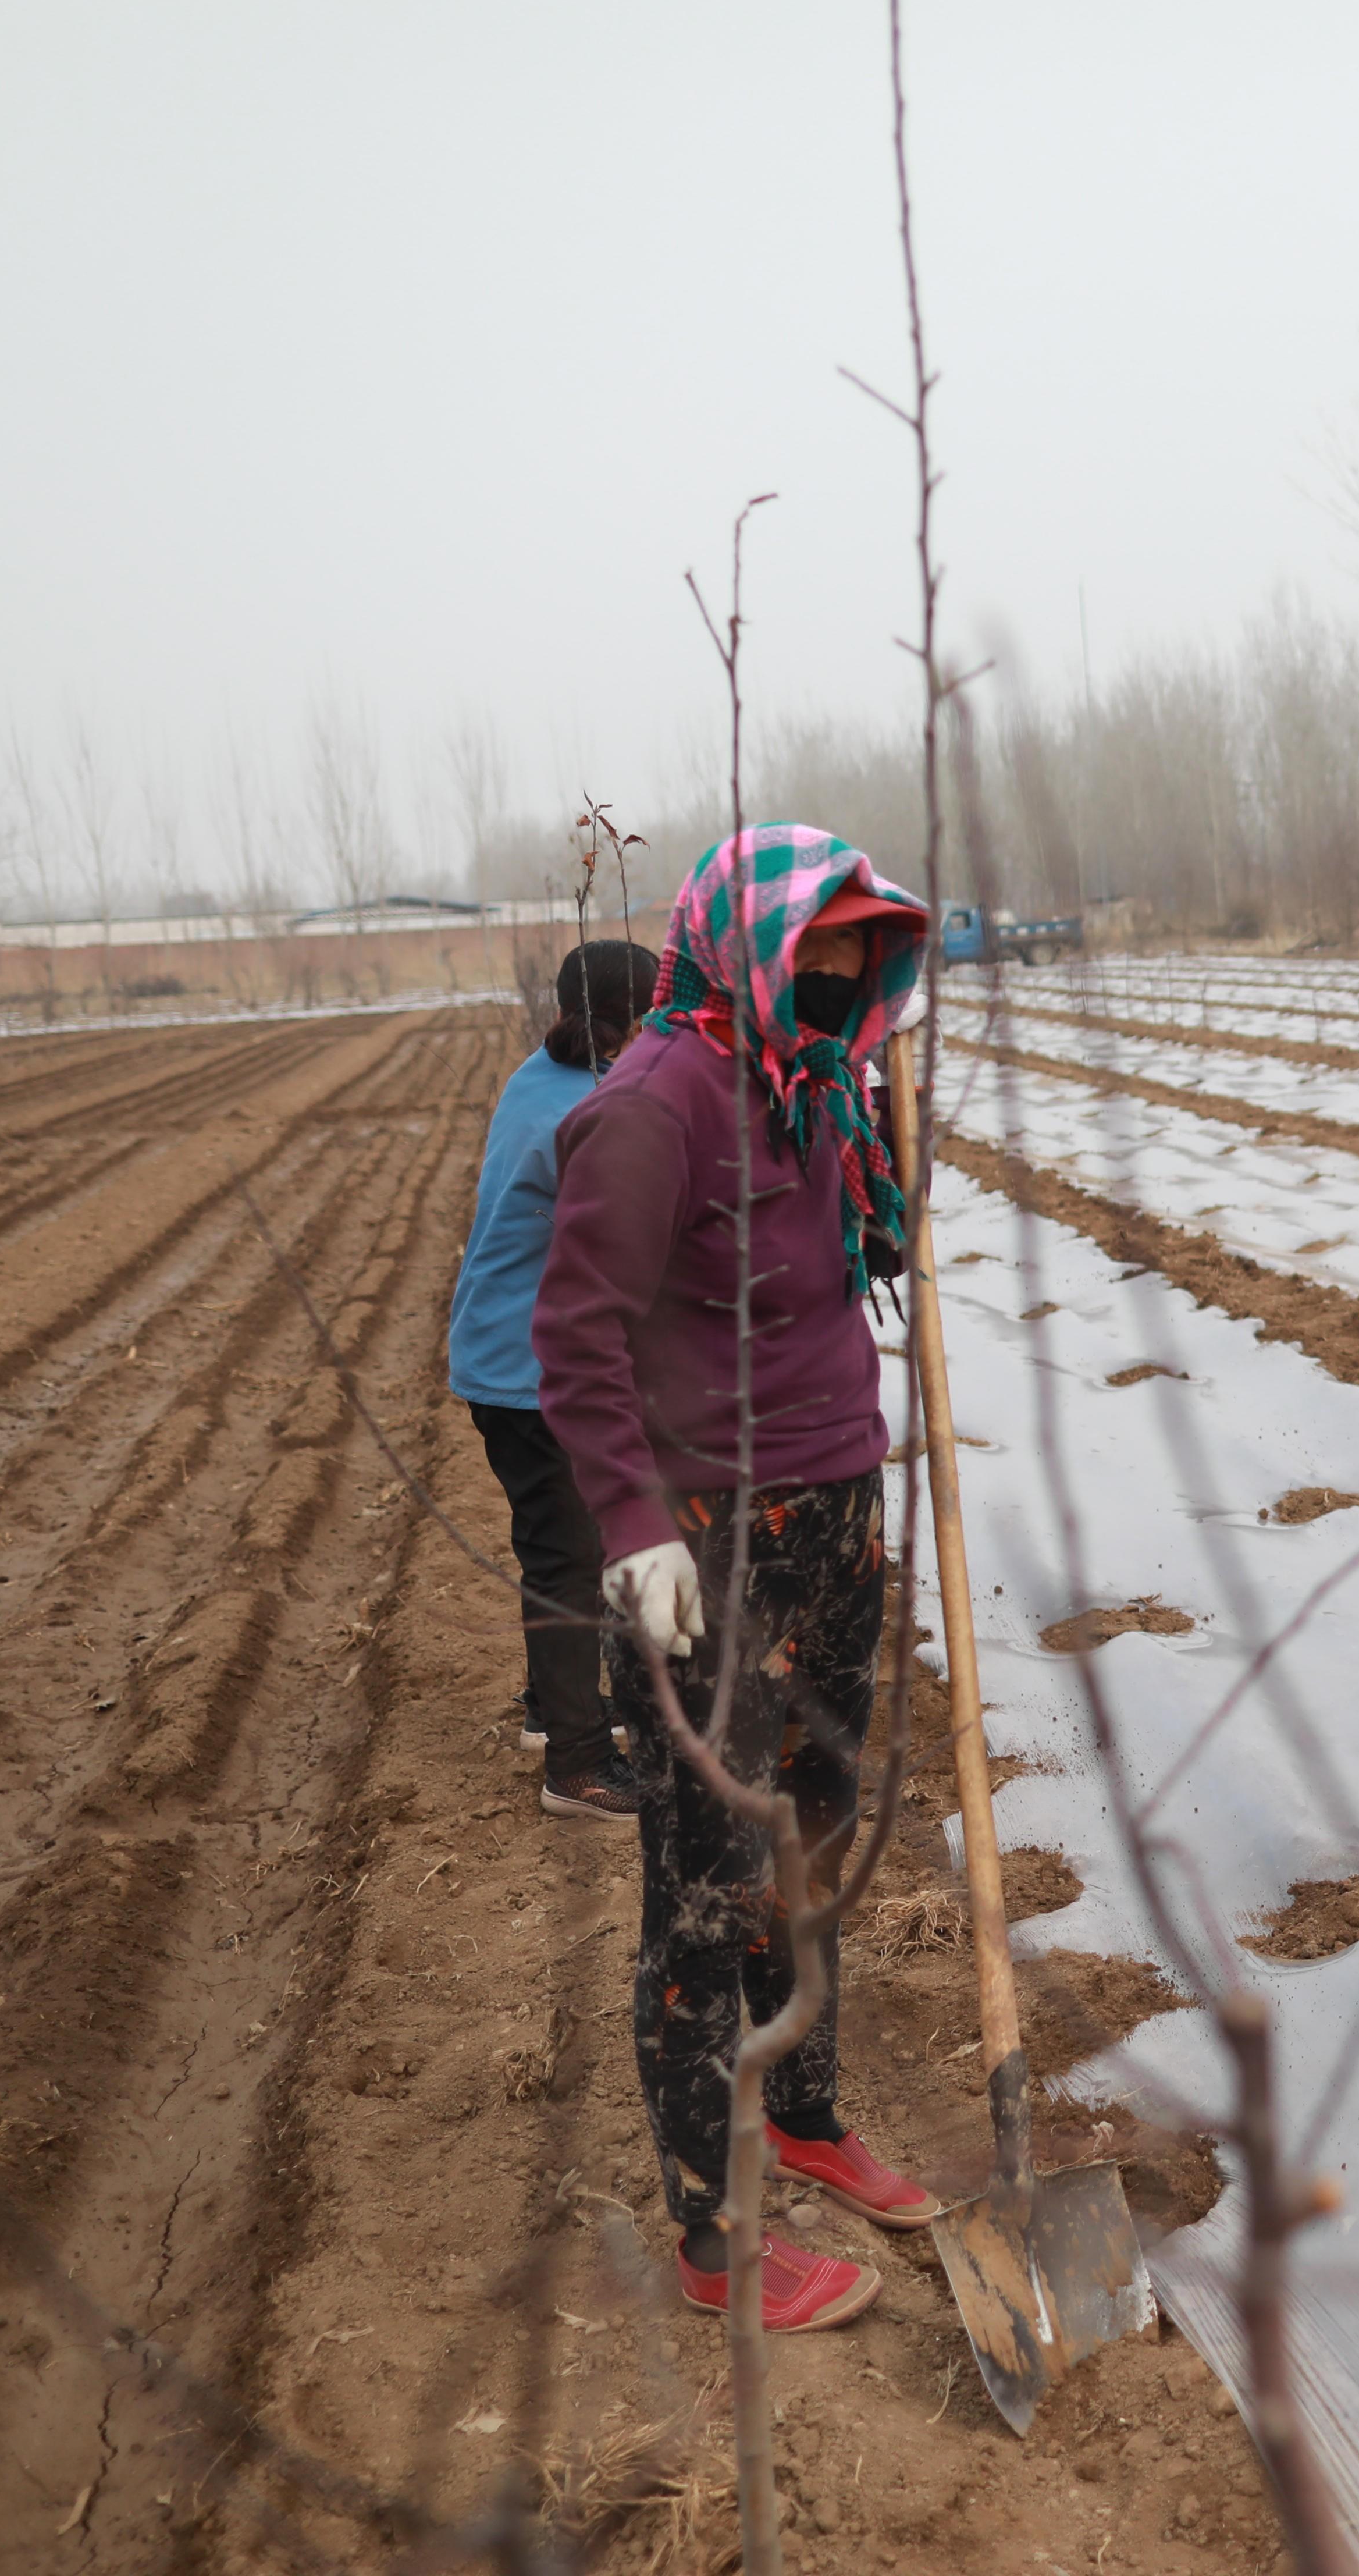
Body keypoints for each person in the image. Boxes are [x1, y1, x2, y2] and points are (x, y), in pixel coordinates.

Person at [532, 824, 933, 2334]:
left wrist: (891, 1121)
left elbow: (857, 1258)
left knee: (810, 1839)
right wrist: (630, 1525)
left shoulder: (818, 1085)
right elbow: (571, 1341)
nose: (836, 985)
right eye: (812, 958)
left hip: (836, 1515)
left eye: (860, 961)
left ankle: (806, 2113)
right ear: (741, 948)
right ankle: (711, 2233)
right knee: (703, 1891)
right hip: (709, 1542)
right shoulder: (655, 1108)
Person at [449, 939, 661, 1820]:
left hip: (506, 1351)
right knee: (570, 1558)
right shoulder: (590, 1109)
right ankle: (576, 1766)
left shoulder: (541, 1073)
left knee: (561, 1544)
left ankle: (553, 1709)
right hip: (526, 1366)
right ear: (635, 1018)